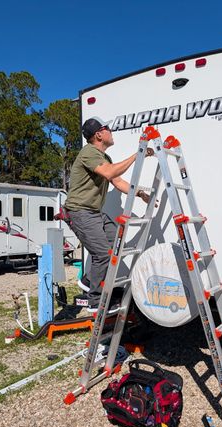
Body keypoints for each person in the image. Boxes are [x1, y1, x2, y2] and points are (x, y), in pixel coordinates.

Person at [64, 116, 154, 313]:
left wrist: (139, 193)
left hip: (94, 213)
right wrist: (137, 155)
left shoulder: (105, 158)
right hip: (79, 212)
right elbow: (109, 174)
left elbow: (117, 181)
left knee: (116, 241)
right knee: (103, 254)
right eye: (108, 130)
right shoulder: (88, 153)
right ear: (98, 134)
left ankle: (88, 279)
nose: (111, 133)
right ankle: (94, 300)